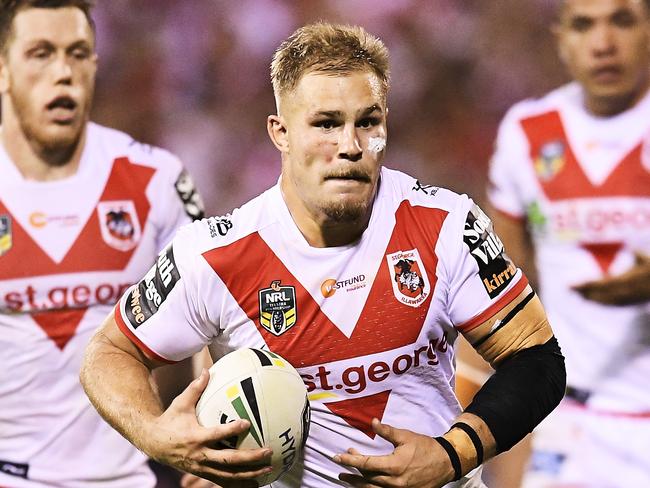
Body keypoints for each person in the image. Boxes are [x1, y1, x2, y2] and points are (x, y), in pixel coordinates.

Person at [80, 22, 565, 488]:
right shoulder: (214, 255)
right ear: (281, 132)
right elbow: (109, 352)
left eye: (367, 122)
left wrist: (450, 454)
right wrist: (156, 435)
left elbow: (537, 359)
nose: (350, 146)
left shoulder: (445, 225)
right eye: (326, 124)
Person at [0, 1, 204, 487]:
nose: (63, 73)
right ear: (3, 69)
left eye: (77, 53)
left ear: (95, 63)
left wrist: (215, 426)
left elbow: (213, 312)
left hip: (130, 476)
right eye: (41, 54)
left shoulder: (156, 178)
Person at [486, 0, 650, 486]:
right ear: (560, 38)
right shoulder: (526, 133)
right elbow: (504, 298)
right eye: (584, 25)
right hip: (571, 425)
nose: (603, 44)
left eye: (621, 20)